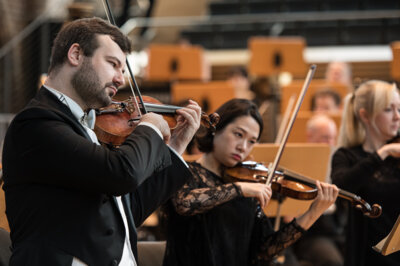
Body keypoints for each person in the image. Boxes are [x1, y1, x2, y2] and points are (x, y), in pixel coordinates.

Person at [1, 17, 201, 266]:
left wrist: (174, 148)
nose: (120, 79)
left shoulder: (91, 127)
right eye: (113, 64)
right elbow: (120, 174)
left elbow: (129, 212)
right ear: (75, 54)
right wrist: (149, 126)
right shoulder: (35, 123)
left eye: (123, 70)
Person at [162, 98, 339, 266]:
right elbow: (184, 203)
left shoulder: (248, 182)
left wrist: (312, 213)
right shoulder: (185, 172)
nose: (243, 146)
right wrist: (239, 188)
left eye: (251, 141)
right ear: (216, 128)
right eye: (238, 134)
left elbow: (263, 251)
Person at [331, 80, 400, 266]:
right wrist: (382, 153)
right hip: (367, 257)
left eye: (399, 109)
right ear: (365, 115)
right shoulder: (346, 156)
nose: (397, 117)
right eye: (388, 110)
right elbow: (341, 187)